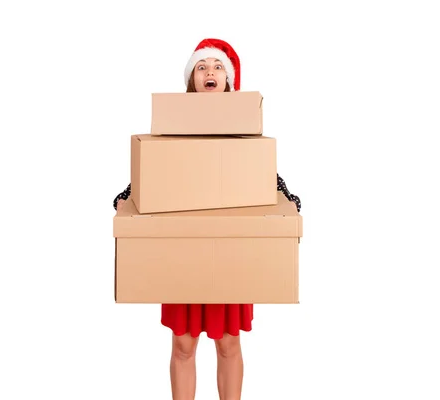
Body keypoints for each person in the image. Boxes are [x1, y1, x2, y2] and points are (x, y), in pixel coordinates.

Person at [113, 38, 301, 400]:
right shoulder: (167, 132)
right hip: (183, 242)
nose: (210, 71)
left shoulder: (248, 135)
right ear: (192, 80)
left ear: (228, 80)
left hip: (229, 244)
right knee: (183, 344)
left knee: (229, 343)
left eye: (217, 66)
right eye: (202, 67)